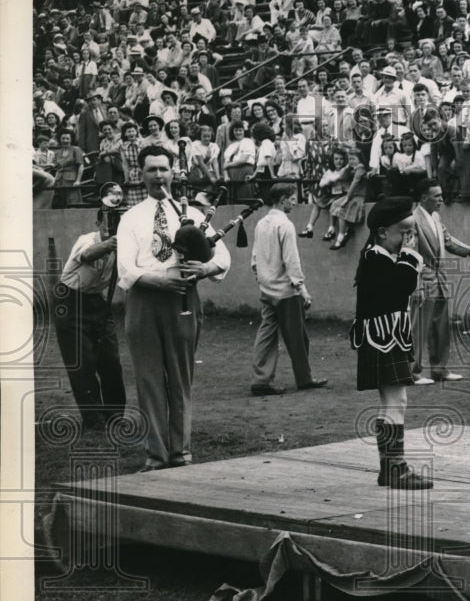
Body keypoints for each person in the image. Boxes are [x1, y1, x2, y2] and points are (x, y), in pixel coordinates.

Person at [116, 145, 231, 470]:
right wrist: (159, 280)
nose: (158, 175)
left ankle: (181, 454)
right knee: (149, 379)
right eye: (151, 169)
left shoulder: (192, 214)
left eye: (163, 169)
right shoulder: (130, 218)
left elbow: (222, 257)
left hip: (183, 300)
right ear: (141, 174)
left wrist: (204, 270)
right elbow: (126, 268)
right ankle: (156, 455)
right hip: (145, 301)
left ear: (173, 171)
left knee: (181, 377)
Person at [351, 196, 432, 490]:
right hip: (382, 339)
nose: (408, 239)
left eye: (411, 233)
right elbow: (400, 288)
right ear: (383, 232)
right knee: (395, 401)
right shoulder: (376, 258)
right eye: (403, 232)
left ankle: (390, 469)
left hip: (387, 337)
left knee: (393, 402)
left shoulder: (380, 257)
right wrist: (410, 258)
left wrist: (406, 259)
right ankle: (395, 467)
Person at [53, 184, 127, 430]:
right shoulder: (87, 239)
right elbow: (87, 256)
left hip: (97, 301)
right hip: (69, 300)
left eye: (116, 223)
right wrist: (113, 242)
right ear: (98, 224)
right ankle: (93, 420)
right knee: (82, 363)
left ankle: (115, 416)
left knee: (111, 360)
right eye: (106, 222)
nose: (111, 227)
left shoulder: (124, 248)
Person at [249, 183, 328, 397]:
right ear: (283, 199)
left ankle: (261, 379)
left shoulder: (261, 223)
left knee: (266, 334)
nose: (295, 202)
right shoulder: (285, 225)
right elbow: (291, 260)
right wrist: (302, 289)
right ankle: (304, 378)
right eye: (292, 198)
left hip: (267, 288)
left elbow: (255, 259)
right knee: (298, 336)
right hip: (285, 290)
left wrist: (262, 281)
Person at [410, 179, 470, 384]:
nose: (441, 200)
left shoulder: (435, 216)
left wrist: (469, 251)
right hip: (423, 279)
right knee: (419, 328)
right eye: (437, 196)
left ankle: (439, 369)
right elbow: (409, 253)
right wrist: (416, 283)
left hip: (440, 278)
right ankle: (413, 371)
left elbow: (448, 240)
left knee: (441, 326)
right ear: (424, 197)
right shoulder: (412, 219)